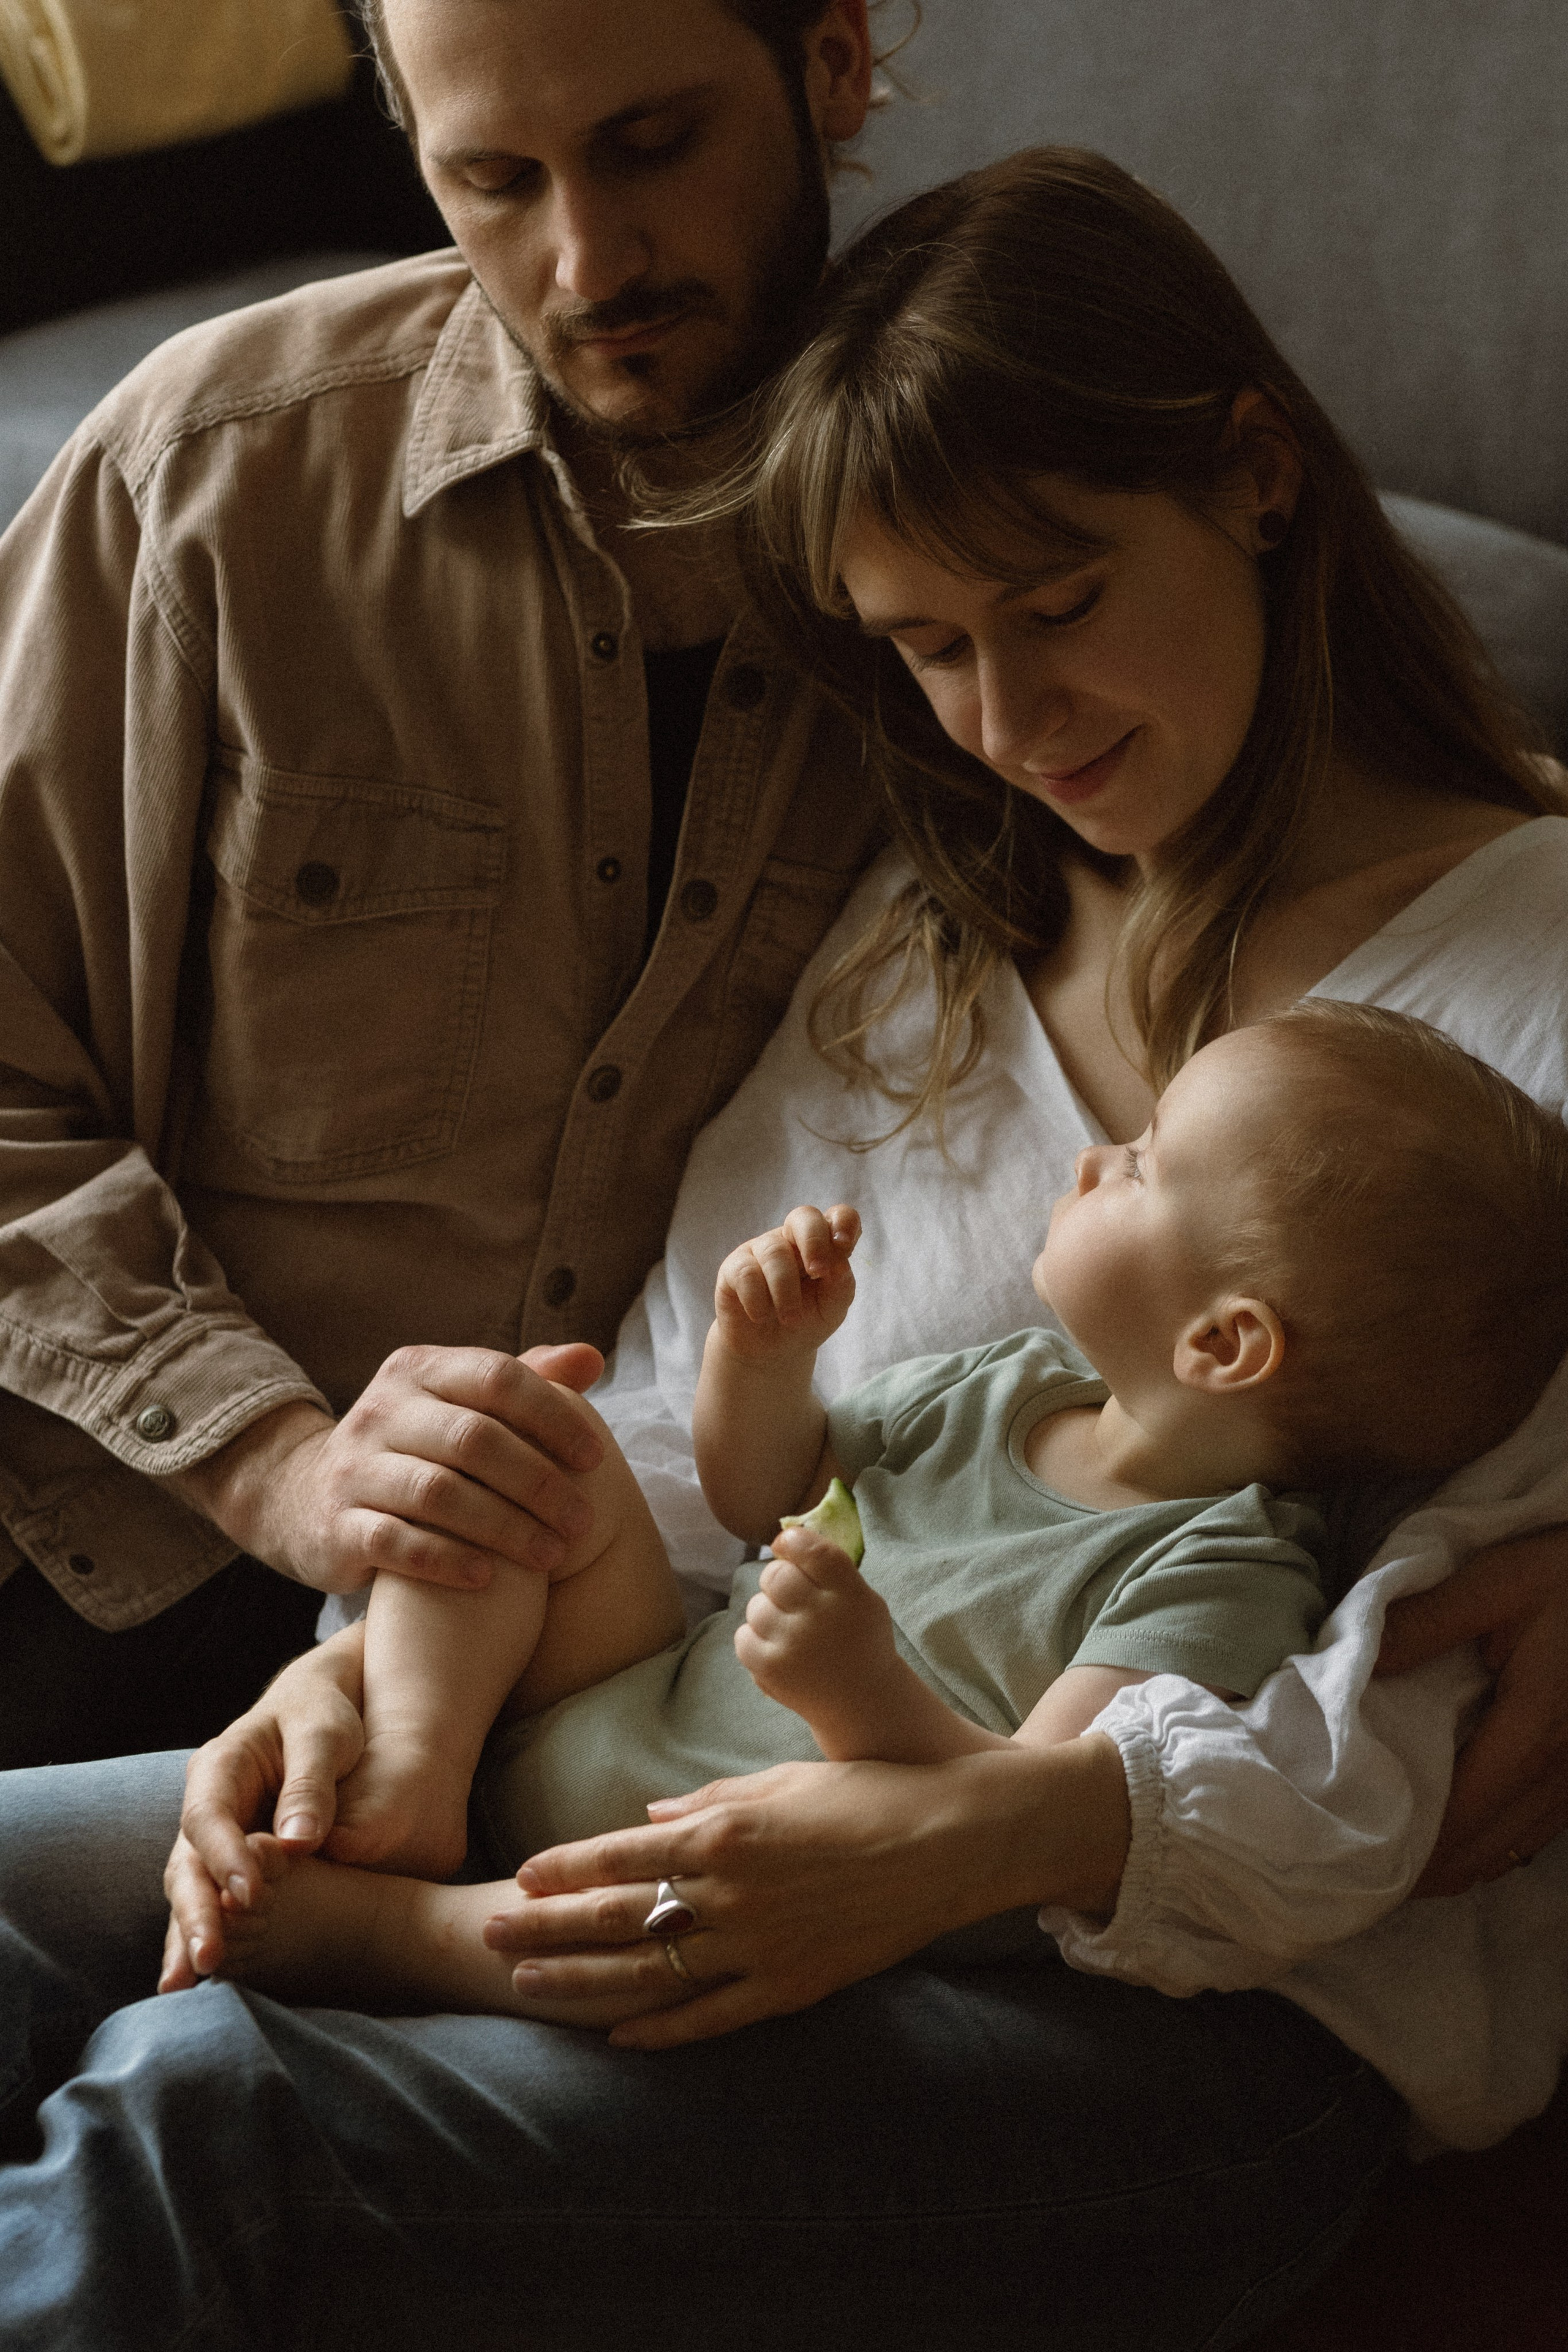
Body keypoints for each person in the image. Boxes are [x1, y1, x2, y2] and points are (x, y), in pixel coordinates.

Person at [5, 138, 1568, 2352]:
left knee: (219, 2105)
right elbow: (664, 1430)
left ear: (1254, 483)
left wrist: (951, 1837)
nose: (1010, 725)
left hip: (1191, 2030)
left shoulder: (1540, 975)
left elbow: (1373, 1727)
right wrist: (349, 1681)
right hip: (656, 1737)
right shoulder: (932, 931)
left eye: (1059, 601)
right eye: (928, 646)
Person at [0, 0, 886, 1768]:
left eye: (655, 147)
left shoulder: (1024, 514)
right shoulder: (214, 481)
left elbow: (1431, 851)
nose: (586, 260)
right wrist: (281, 1467)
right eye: (490, 179)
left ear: (835, 62)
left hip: (663, 1649)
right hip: (133, 1536)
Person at [179, 1001, 1568, 2029]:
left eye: (1142, 1164)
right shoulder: (1013, 1383)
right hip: (630, 1686)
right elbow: (758, 1491)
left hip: (733, 1856)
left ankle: (403, 1931)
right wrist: (765, 1358)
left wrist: (858, 1695)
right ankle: (421, 1773)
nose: (1094, 1158)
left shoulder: (1223, 1573)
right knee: (530, 1434)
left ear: (1222, 1344)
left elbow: (1008, 1815)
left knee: (661, 1943)